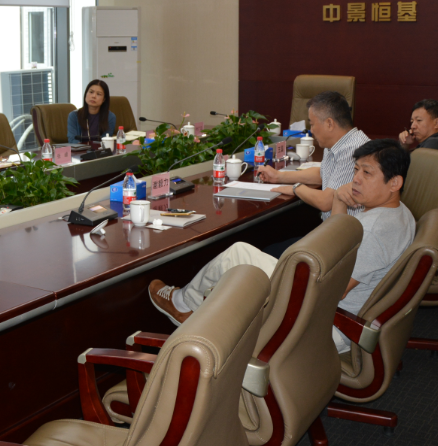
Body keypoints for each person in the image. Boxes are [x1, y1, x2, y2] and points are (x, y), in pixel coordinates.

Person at [148, 139, 415, 353]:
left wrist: (294, 269)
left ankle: (184, 304)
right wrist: (339, 201)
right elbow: (334, 245)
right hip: (328, 303)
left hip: (327, 321)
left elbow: (336, 289)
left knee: (238, 255)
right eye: (356, 170)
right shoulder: (401, 214)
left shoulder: (375, 231)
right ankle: (201, 321)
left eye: (367, 173)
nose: (355, 179)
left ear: (395, 183)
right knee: (250, 266)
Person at [254, 91, 370, 257]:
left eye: (313, 124)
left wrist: (296, 188)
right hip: (330, 232)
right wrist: (279, 176)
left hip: (344, 244)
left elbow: (326, 202)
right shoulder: (338, 143)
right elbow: (322, 174)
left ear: (329, 123)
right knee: (272, 247)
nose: (311, 130)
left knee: (268, 252)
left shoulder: (353, 149)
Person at [66, 79, 117, 144]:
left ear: (104, 99)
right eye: (91, 92)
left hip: (100, 150)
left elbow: (106, 141)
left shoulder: (110, 117)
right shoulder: (74, 116)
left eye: (98, 94)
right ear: (86, 94)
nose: (93, 96)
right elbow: (72, 140)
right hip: (79, 150)